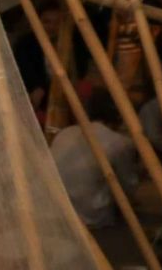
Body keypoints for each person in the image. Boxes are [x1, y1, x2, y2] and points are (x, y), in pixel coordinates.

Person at [49, 87, 138, 227]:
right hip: (91, 213)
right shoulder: (118, 142)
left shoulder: (64, 133)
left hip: (56, 208)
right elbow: (127, 185)